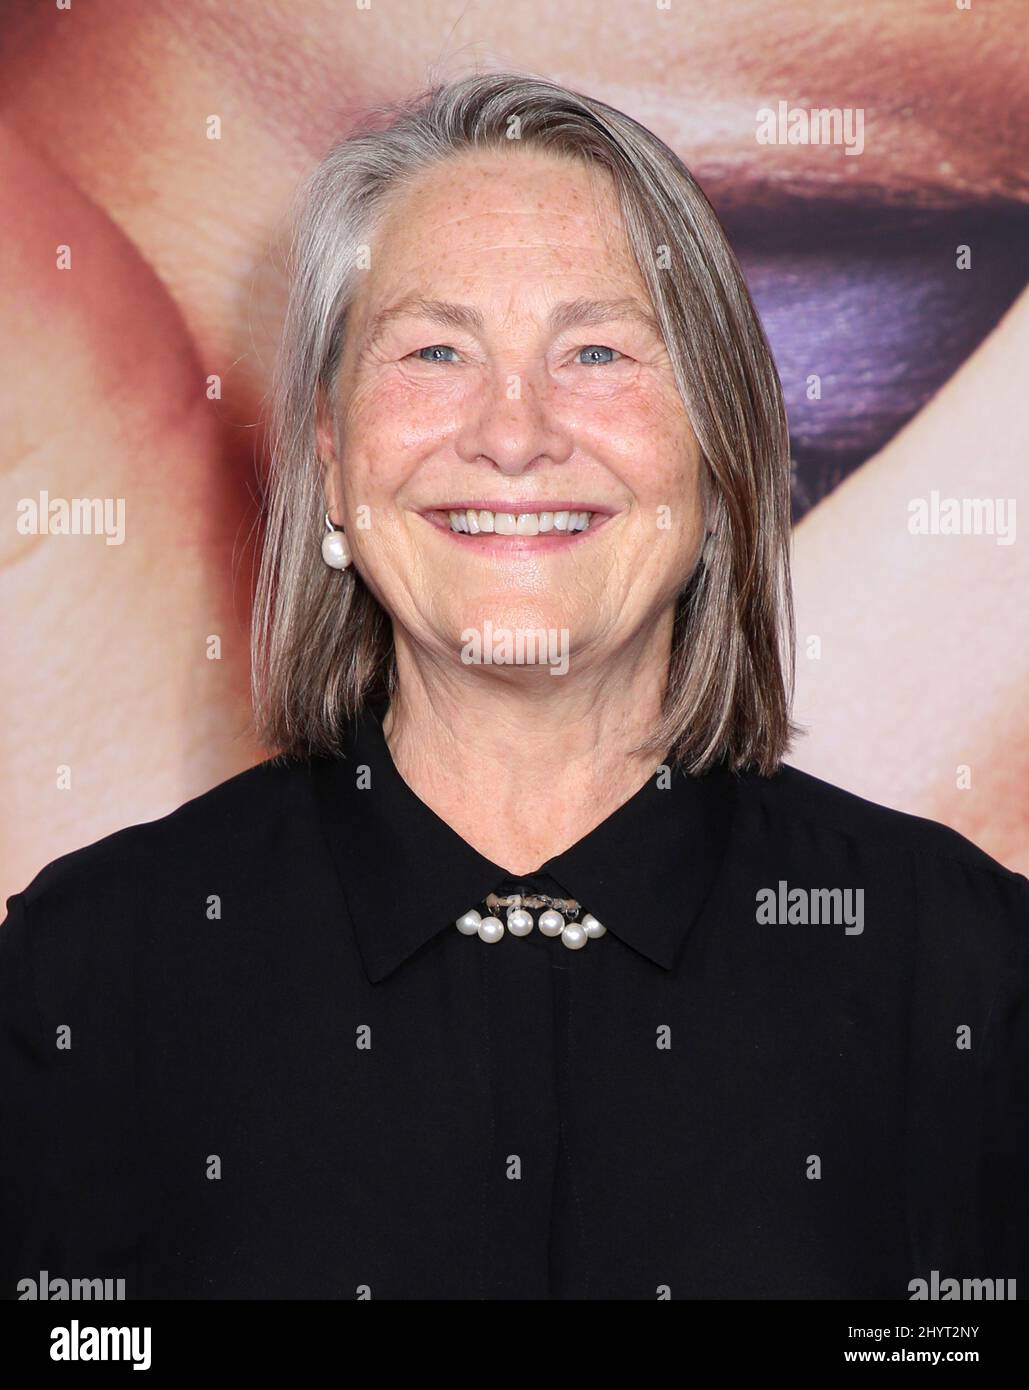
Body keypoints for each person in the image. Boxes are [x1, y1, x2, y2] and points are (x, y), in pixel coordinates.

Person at [1, 71, 1026, 1301]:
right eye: (435, 349)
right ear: (330, 457)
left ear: (726, 451)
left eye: (597, 349)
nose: (514, 430)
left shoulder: (963, 968)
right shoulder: (92, 969)